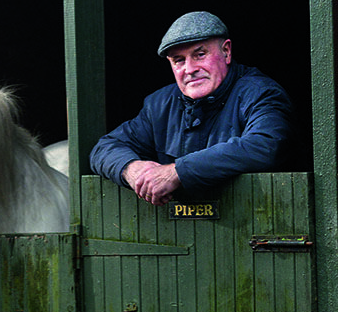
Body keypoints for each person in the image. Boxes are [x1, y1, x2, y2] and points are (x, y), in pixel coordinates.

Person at [89, 11, 294, 205]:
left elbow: (266, 144)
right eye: (179, 60)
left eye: (200, 54)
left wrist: (177, 172)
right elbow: (104, 148)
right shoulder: (159, 104)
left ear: (226, 51)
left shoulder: (259, 92)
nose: (190, 69)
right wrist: (131, 170)